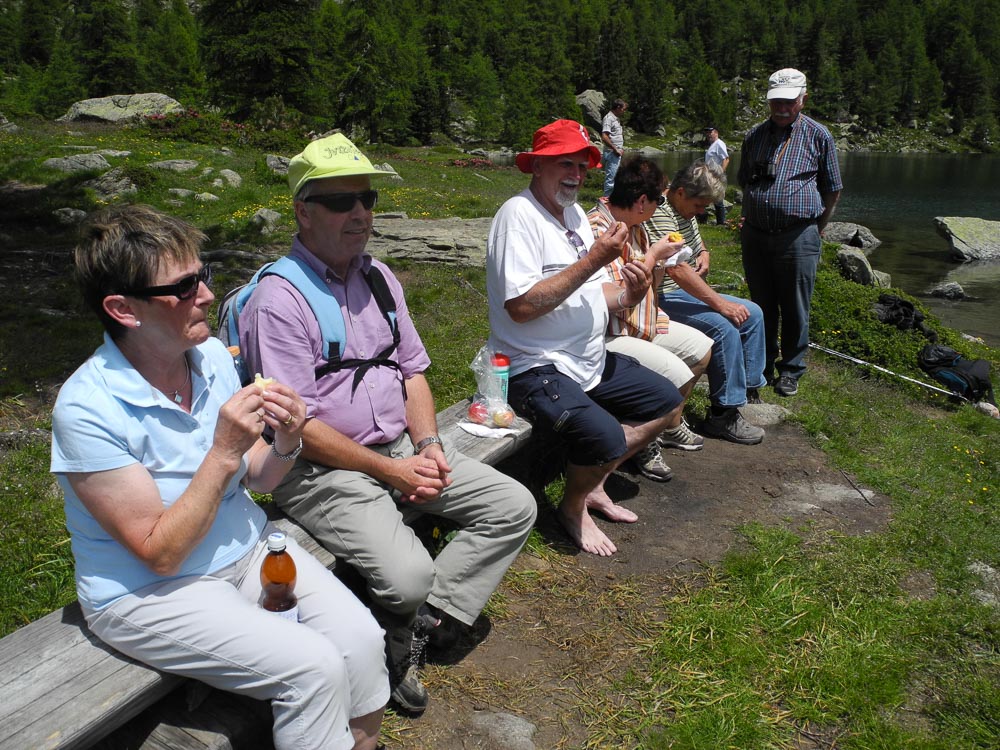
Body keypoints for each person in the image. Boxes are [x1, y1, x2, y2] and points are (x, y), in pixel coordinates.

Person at [50, 205, 387, 750]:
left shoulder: (208, 356)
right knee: (313, 668)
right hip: (148, 591)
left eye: (202, 274)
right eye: (183, 287)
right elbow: (160, 554)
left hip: (244, 551)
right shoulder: (87, 408)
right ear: (122, 308)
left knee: (363, 639)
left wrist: (288, 438)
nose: (207, 294)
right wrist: (223, 451)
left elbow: (261, 478)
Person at [238, 134, 537, 715]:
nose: (360, 213)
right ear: (302, 211)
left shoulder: (378, 277)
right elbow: (297, 426)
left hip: (398, 446)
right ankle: (402, 625)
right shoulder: (278, 301)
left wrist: (427, 445)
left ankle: (415, 628)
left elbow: (413, 372)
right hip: (318, 469)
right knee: (408, 577)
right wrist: (391, 471)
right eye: (340, 201)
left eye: (367, 199)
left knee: (513, 507)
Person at [487, 119, 684, 558]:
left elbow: (594, 293)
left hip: (586, 357)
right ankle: (572, 506)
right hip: (534, 363)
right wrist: (595, 259)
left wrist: (629, 294)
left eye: (582, 166)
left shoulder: (574, 215)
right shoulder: (518, 217)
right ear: (537, 165)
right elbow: (521, 307)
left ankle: (592, 482)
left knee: (667, 402)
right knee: (606, 437)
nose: (575, 175)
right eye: (565, 164)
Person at [586, 156, 714, 480]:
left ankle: (666, 425)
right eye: (658, 200)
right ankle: (643, 439)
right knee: (677, 375)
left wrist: (660, 263)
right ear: (642, 201)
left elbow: (648, 287)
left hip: (640, 319)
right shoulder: (599, 229)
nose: (660, 207)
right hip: (610, 330)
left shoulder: (636, 226)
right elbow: (614, 295)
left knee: (702, 349)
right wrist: (655, 254)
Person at [645, 160, 768, 445]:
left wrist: (705, 253)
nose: (701, 212)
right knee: (723, 327)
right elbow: (676, 268)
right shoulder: (661, 211)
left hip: (684, 291)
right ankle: (723, 413)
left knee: (753, 314)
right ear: (680, 192)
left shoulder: (684, 209)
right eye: (699, 205)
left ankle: (747, 391)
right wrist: (720, 304)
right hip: (663, 295)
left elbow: (695, 242)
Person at [738, 68, 843, 397]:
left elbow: (832, 189)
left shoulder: (819, 135)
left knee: (796, 306)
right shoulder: (754, 135)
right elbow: (744, 180)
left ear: (803, 99)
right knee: (761, 304)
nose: (782, 108)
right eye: (776, 102)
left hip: (798, 234)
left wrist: (817, 228)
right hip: (755, 234)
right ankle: (762, 364)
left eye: (789, 102)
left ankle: (791, 369)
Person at [703, 126, 730, 225]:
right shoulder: (713, 145)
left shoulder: (719, 144)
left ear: (716, 133)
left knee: (718, 198)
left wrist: (720, 173)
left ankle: (721, 222)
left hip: (716, 175)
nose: (708, 135)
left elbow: (726, 159)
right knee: (710, 196)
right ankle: (704, 217)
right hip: (710, 174)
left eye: (710, 132)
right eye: (707, 133)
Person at [601, 98, 627, 196]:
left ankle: (613, 199)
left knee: (615, 177)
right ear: (618, 107)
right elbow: (604, 136)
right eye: (623, 109)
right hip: (612, 152)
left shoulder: (615, 118)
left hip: (616, 152)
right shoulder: (609, 118)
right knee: (611, 178)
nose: (624, 111)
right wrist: (615, 149)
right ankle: (606, 199)